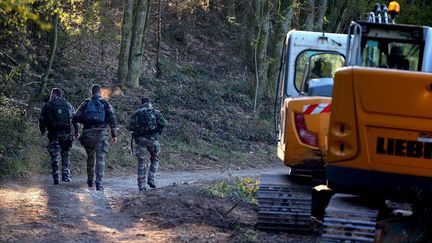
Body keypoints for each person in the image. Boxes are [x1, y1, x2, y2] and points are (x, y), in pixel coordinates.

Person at [73, 84, 118, 190]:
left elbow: (75, 118)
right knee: (100, 158)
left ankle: (90, 180)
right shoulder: (105, 103)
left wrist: (85, 122)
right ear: (100, 92)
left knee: (90, 157)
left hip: (88, 134)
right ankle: (99, 183)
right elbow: (112, 119)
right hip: (101, 134)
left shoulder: (86, 103)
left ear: (91, 92)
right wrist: (114, 134)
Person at [39, 88, 79, 184]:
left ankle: (56, 177)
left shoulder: (47, 105)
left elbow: (41, 120)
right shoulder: (67, 104)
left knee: (54, 155)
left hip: (53, 134)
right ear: (60, 95)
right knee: (66, 154)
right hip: (66, 133)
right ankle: (65, 176)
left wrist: (42, 131)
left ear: (53, 94)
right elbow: (75, 119)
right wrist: (77, 131)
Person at [127, 97, 167, 191]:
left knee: (141, 162)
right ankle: (151, 179)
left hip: (140, 141)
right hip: (153, 140)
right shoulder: (155, 112)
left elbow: (128, 127)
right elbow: (164, 123)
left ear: (141, 103)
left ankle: (141, 186)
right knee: (155, 157)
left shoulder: (136, 113)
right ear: (150, 103)